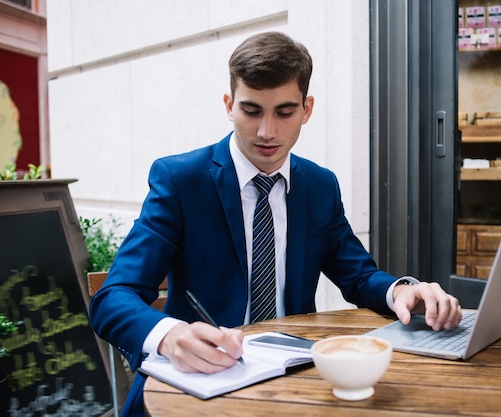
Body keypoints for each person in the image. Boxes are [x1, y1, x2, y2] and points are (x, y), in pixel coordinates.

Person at [89, 31, 461, 416]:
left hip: (293, 381)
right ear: (229, 105)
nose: (267, 132)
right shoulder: (180, 180)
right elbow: (112, 298)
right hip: (196, 386)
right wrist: (171, 336)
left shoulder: (319, 185)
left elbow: (360, 277)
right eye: (251, 111)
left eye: (284, 112)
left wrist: (400, 291)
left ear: (307, 109)